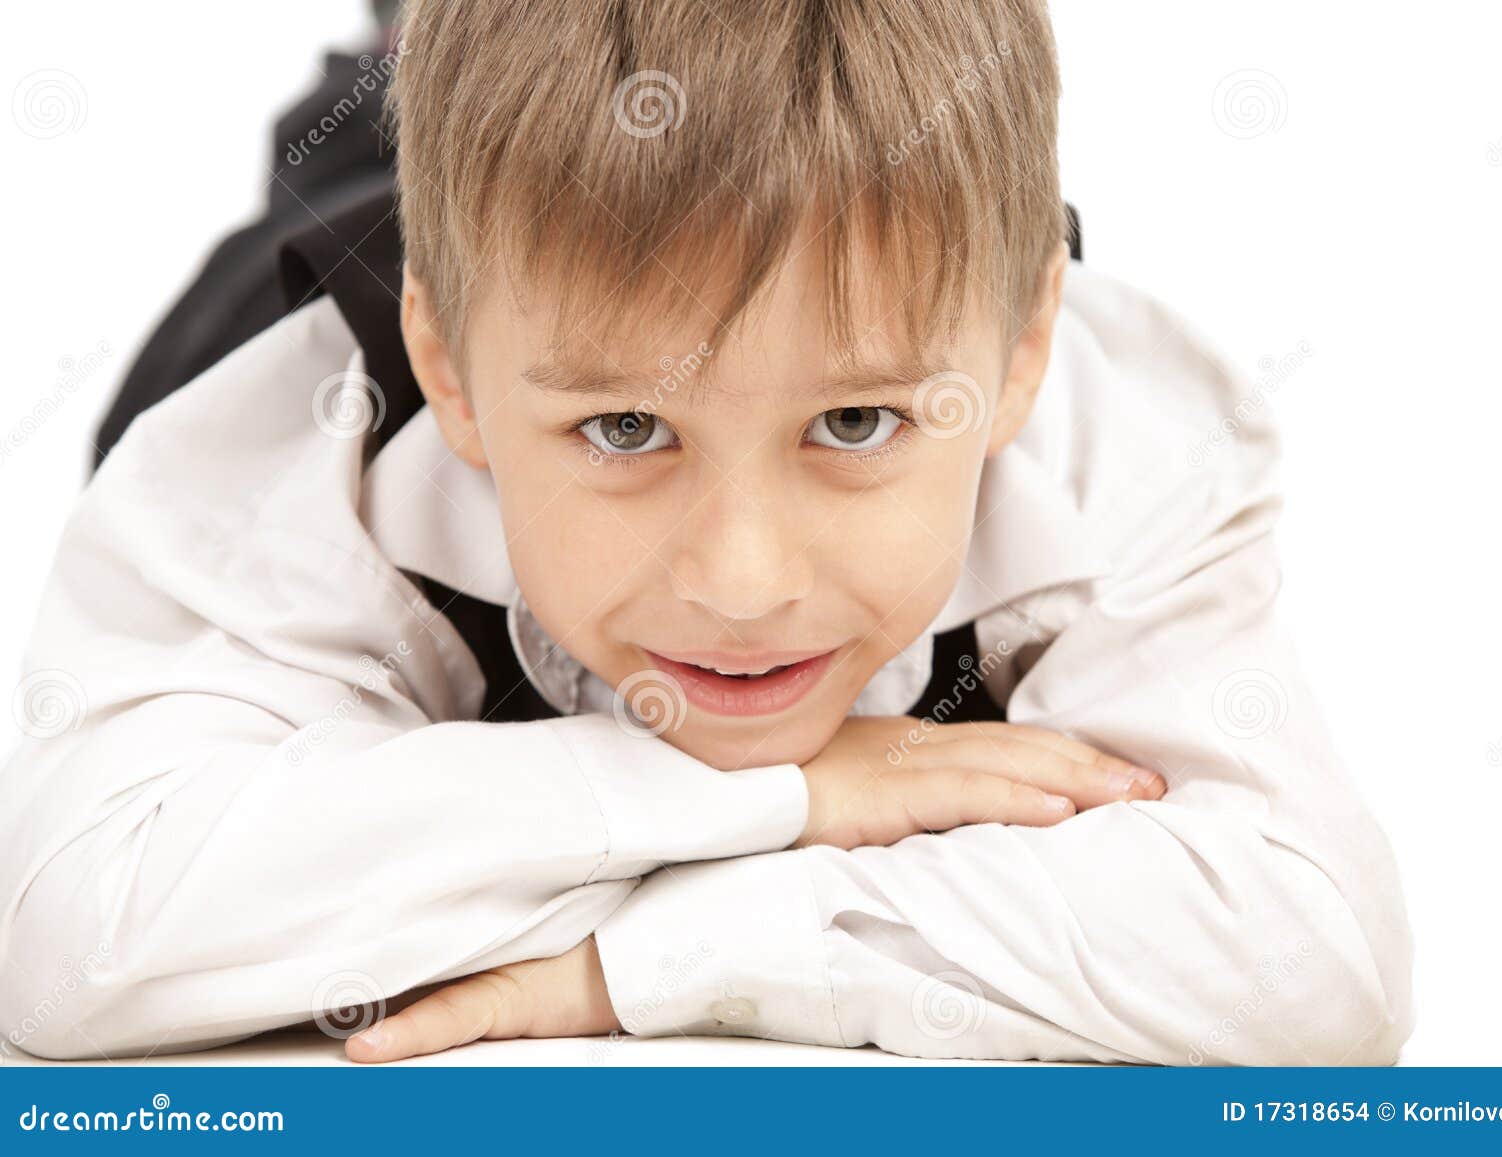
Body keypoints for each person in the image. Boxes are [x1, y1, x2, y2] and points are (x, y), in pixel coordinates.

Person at [0, 0, 1413, 1066]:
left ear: (1026, 344)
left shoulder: (1114, 444)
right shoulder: (286, 468)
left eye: (855, 424)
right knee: (416, 97)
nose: (743, 583)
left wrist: (661, 959)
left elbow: (1319, 959)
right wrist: (799, 793)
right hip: (363, 252)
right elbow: (74, 944)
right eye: (625, 430)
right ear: (446, 363)